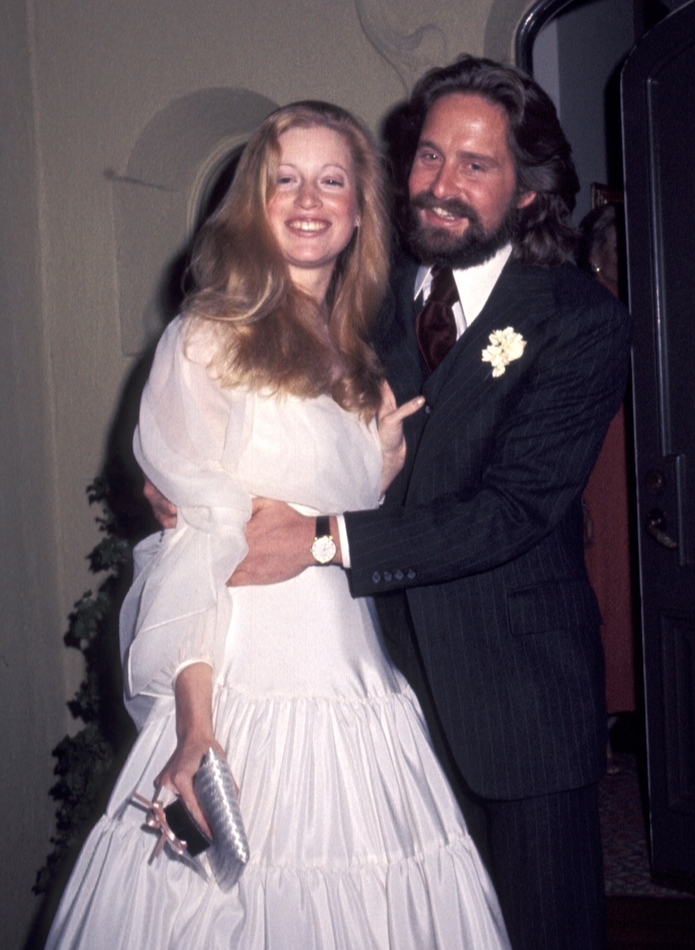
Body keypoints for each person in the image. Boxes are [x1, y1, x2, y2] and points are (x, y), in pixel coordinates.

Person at [150, 58, 632, 949]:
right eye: (429, 157)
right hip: (377, 692)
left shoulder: (578, 321)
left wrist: (324, 539)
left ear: (528, 193)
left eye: (476, 166)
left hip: (514, 702)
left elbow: (514, 512)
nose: (443, 186)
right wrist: (193, 482)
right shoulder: (357, 301)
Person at [44, 101, 511, 950]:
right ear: (253, 204)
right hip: (245, 693)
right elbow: (193, 548)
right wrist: (195, 728)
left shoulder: (360, 363)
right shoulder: (206, 339)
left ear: (362, 210)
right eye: (284, 179)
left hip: (358, 689)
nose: (308, 198)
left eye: (332, 179)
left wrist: (385, 463)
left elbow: (346, 525)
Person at [577, 203, 636, 774]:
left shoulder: (642, 306)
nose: (625, 253)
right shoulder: (587, 309)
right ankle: (596, 728)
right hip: (596, 471)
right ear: (597, 254)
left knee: (629, 594)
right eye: (617, 244)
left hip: (632, 469)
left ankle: (627, 720)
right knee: (601, 596)